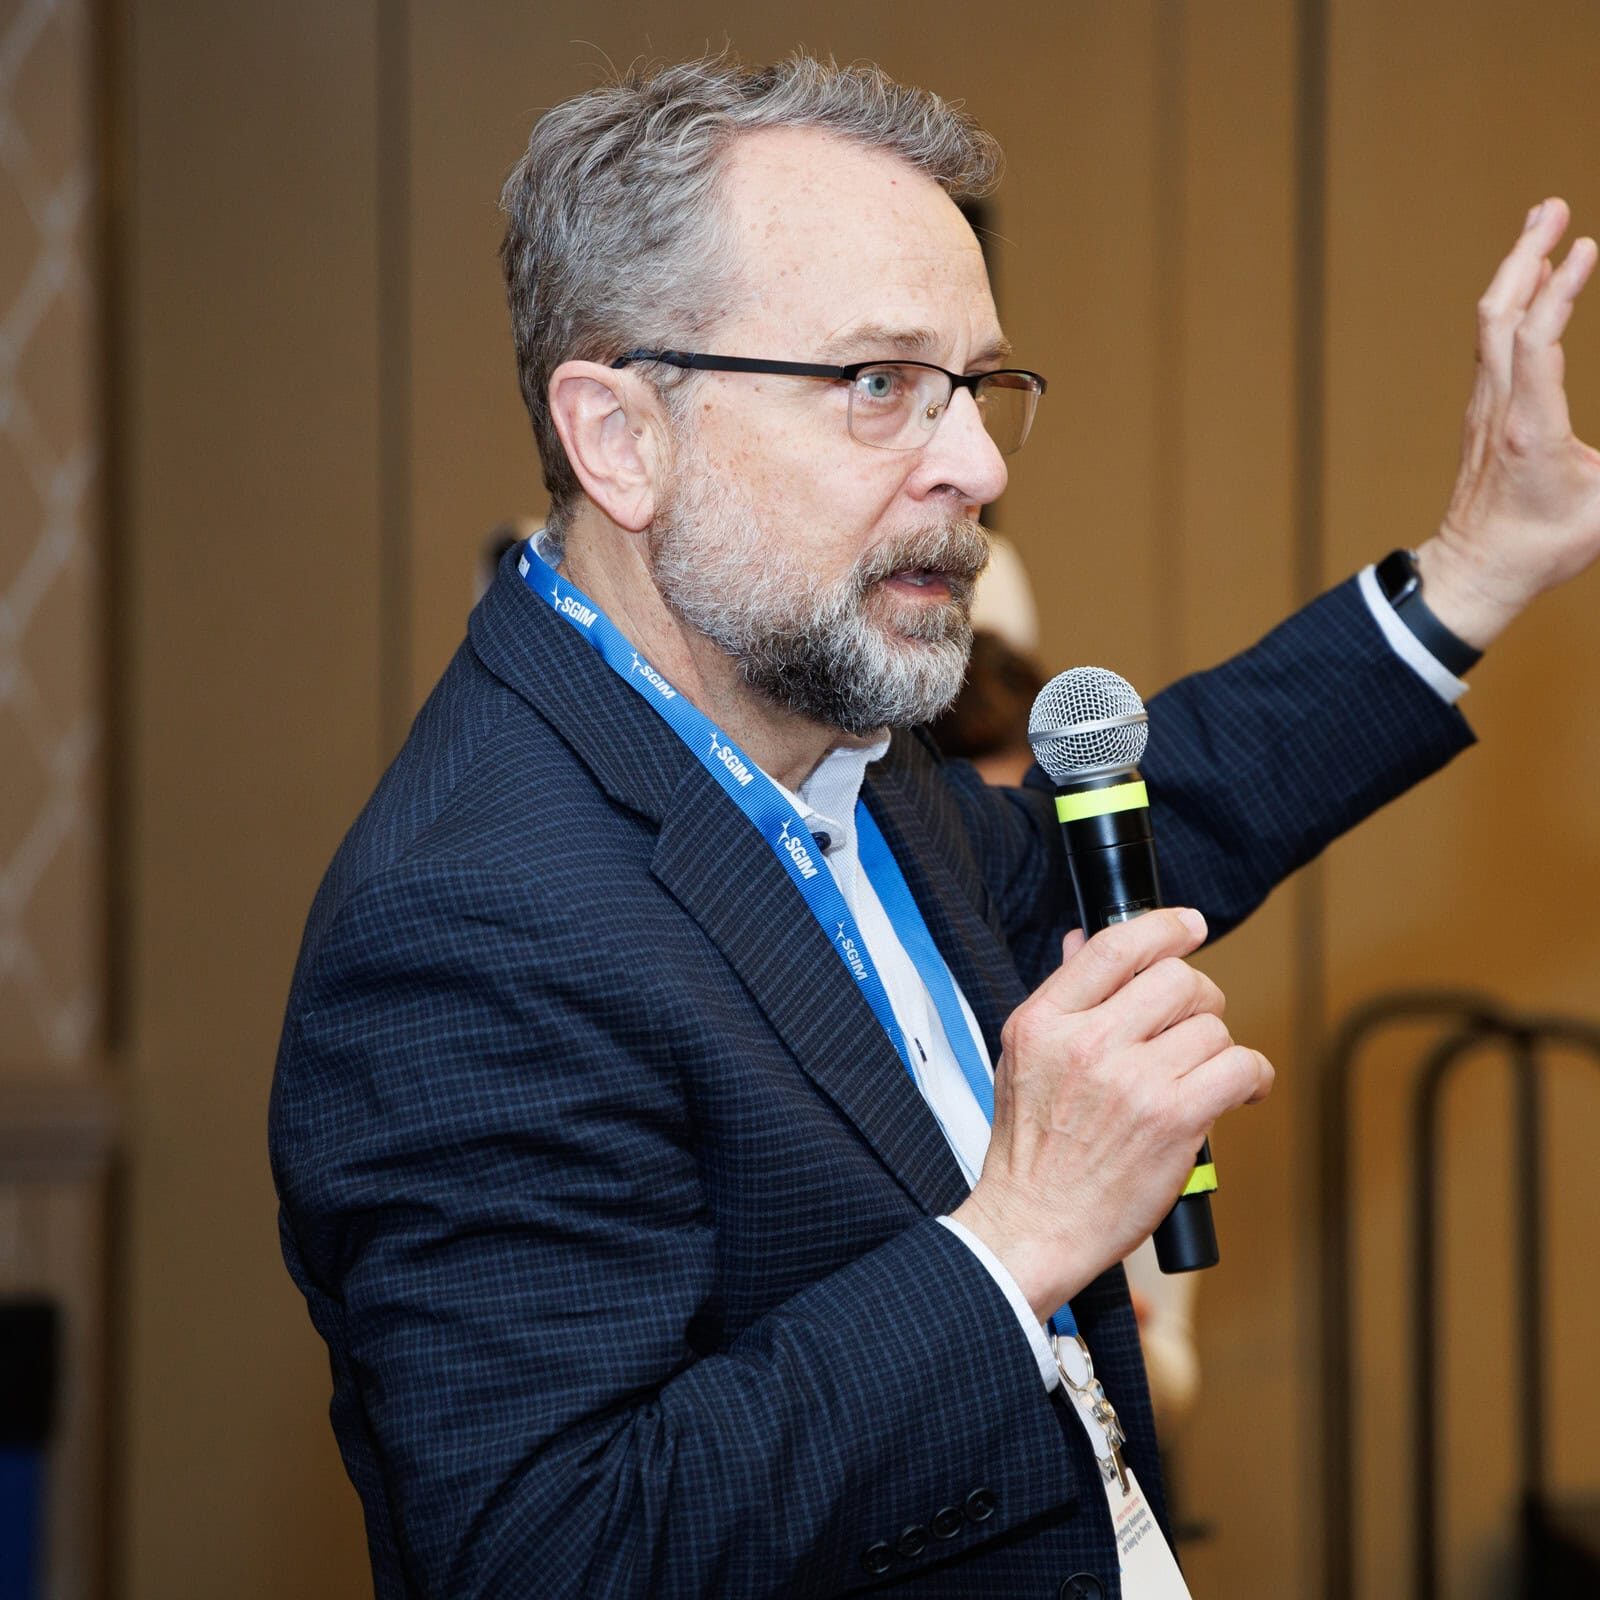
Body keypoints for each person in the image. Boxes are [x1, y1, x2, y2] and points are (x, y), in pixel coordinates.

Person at [269, 54, 1600, 1598]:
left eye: (977, 386)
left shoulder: (828, 750)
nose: (973, 463)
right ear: (620, 437)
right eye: (878, 384)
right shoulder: (469, 922)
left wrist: (1478, 565)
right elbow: (555, 1554)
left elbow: (1121, 834)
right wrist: (1019, 1236)